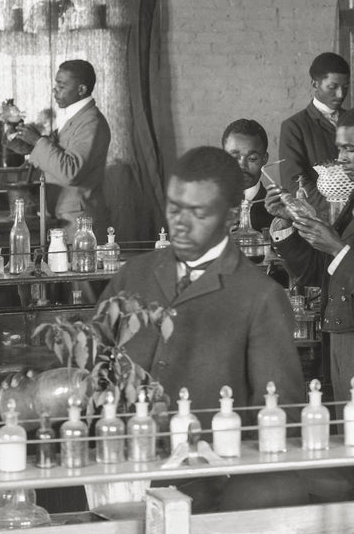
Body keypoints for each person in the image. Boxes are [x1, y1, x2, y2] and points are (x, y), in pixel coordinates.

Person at [101, 146, 306, 511]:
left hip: (211, 494)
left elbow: (281, 416)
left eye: (198, 213)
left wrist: (231, 488)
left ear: (230, 216)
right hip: (118, 479)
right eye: (174, 208)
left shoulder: (258, 298)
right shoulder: (132, 275)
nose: (180, 223)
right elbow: (92, 368)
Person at [271, 111, 354, 398]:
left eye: (351, 148)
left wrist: (337, 249)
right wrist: (289, 223)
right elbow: (317, 273)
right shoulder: (348, 205)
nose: (342, 158)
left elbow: (338, 257)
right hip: (340, 337)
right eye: (340, 147)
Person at [9, 59, 110, 232]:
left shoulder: (91, 123)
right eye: (56, 85)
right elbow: (50, 152)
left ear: (81, 89)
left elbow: (71, 171)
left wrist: (37, 141)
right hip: (65, 216)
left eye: (62, 86)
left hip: (79, 223)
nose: (55, 90)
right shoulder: (76, 118)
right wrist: (14, 131)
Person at [279, 52, 349, 205]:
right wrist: (338, 209)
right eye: (332, 87)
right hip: (319, 217)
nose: (340, 94)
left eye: (345, 87)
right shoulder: (294, 126)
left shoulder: (351, 120)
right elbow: (294, 183)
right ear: (314, 84)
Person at [221, 118, 275, 234]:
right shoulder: (205, 206)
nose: (242, 166)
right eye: (234, 157)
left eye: (252, 159)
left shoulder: (277, 212)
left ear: (264, 159)